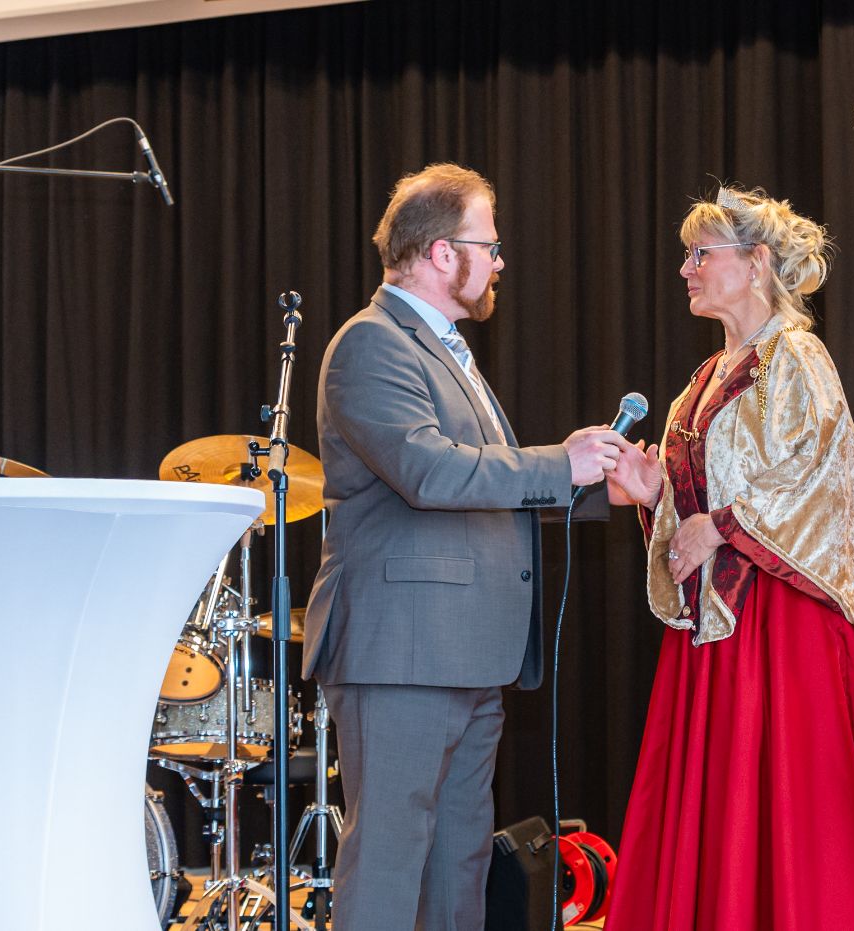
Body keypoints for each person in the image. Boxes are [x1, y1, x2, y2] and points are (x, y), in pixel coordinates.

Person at [300, 162, 632, 931]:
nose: (500, 262)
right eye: (490, 244)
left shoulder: (444, 347)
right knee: (389, 864)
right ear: (442, 252)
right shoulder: (371, 343)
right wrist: (560, 463)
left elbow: (481, 489)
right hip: (403, 654)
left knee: (460, 867)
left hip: (465, 655)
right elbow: (428, 471)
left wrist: (599, 490)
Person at [602, 185, 854, 931]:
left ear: (756, 263)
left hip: (782, 627)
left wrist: (721, 526)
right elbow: (703, 499)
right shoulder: (707, 375)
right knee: (720, 799)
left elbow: (819, 478)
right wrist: (653, 491)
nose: (686, 269)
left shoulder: (796, 354)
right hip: (721, 627)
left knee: (791, 804)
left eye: (701, 254)